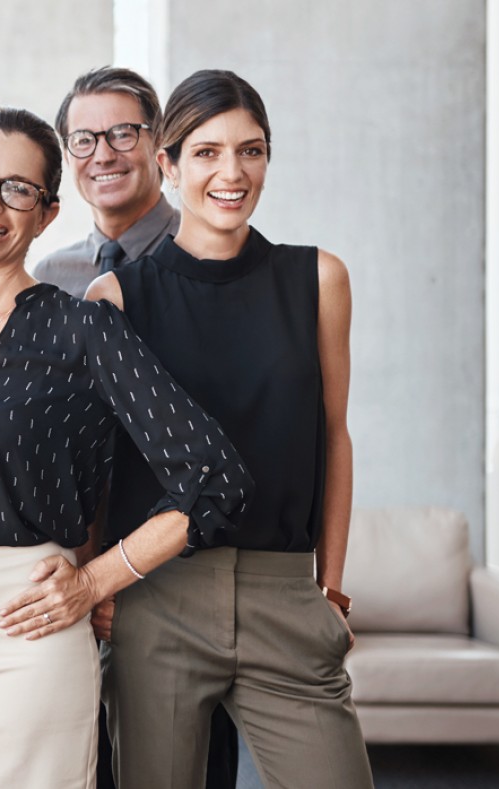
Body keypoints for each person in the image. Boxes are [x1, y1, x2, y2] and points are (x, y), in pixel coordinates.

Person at [0, 106, 253, 788]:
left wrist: (97, 580)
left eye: (18, 188)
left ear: (47, 213)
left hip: (28, 637)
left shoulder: (85, 330)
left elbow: (217, 478)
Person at [87, 69, 372, 789]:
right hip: (160, 598)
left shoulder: (318, 280)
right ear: (169, 165)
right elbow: (99, 463)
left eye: (251, 151)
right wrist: (104, 586)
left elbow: (333, 436)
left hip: (284, 595)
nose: (232, 172)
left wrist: (330, 590)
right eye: (207, 152)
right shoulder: (116, 297)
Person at [36, 66, 240, 789]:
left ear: (159, 146)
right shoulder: (50, 276)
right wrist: (87, 571)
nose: (104, 153)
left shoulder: (214, 259)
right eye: (83, 138)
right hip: (79, 562)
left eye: (123, 132)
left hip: (185, 565)